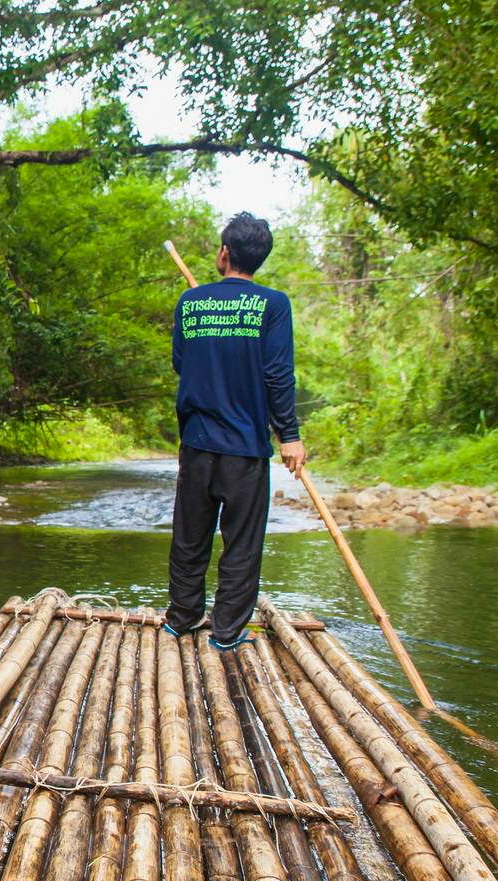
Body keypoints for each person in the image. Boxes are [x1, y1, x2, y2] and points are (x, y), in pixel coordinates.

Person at [163, 212, 305, 650]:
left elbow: (181, 364)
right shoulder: (274, 304)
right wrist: (290, 435)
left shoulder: (192, 302)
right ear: (259, 259)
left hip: (198, 443)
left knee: (190, 537)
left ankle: (182, 618)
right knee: (241, 545)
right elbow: (278, 375)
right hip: (245, 448)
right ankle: (225, 632)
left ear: (224, 252)